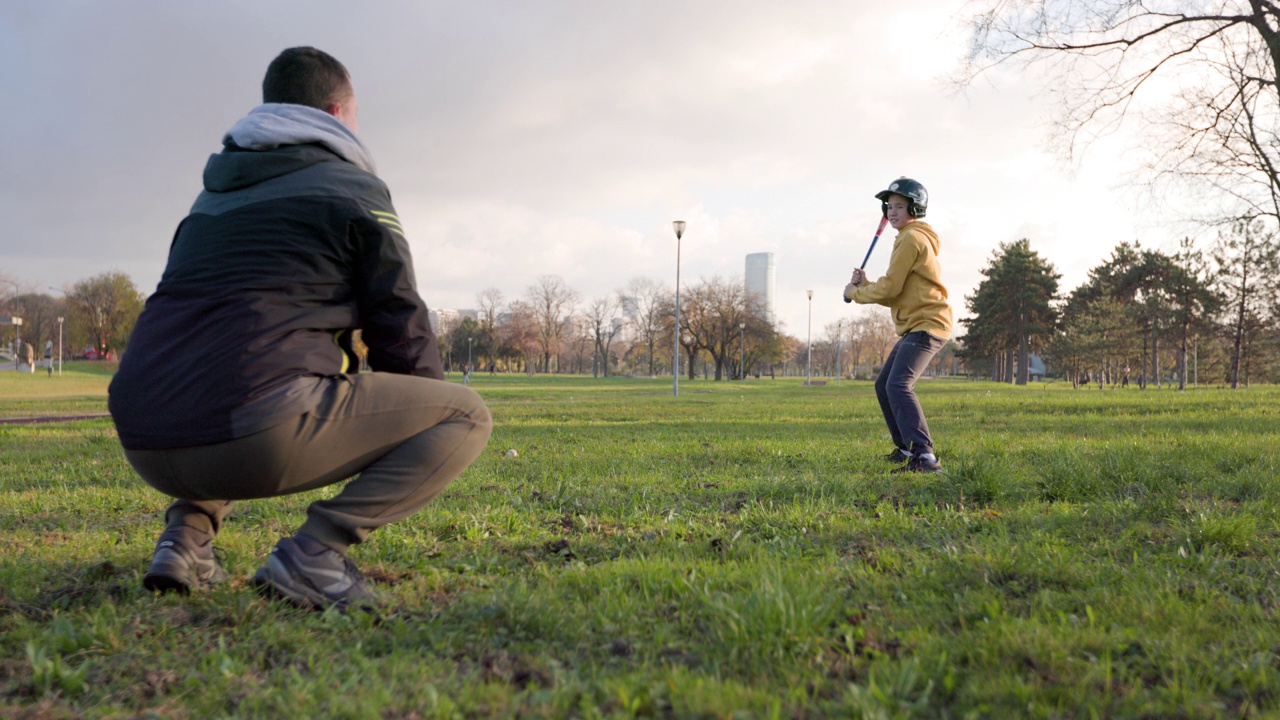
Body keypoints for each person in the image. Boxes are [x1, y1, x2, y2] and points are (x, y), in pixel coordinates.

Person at [108, 47, 492, 609]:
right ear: (337, 113)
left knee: (228, 360)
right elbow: (398, 322)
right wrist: (418, 422)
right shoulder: (353, 187)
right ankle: (315, 554)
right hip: (252, 441)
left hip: (145, 437)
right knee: (465, 414)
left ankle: (185, 538)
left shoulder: (211, 194)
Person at [844, 177, 952, 473]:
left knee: (898, 385)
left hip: (927, 324)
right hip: (917, 324)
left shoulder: (910, 238)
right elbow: (897, 289)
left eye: (900, 206)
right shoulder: (913, 236)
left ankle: (925, 457)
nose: (892, 212)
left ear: (915, 208)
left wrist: (855, 293)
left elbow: (890, 289)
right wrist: (866, 285)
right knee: (884, 385)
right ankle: (906, 449)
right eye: (889, 207)